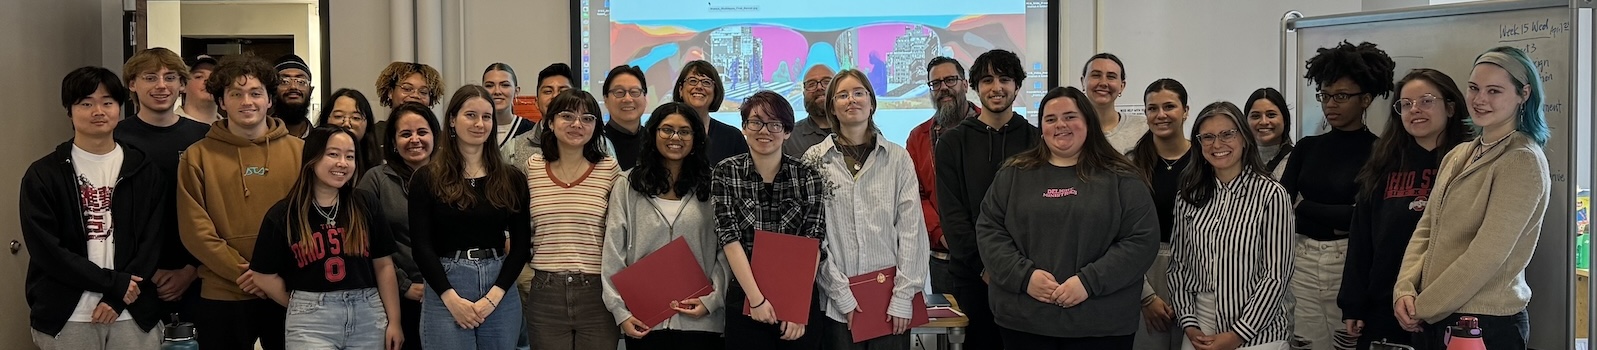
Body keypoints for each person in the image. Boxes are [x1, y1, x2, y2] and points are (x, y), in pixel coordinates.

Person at [976, 86, 1158, 349]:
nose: (1060, 125)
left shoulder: (1122, 177)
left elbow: (1141, 240)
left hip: (1102, 327)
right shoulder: (1013, 174)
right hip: (1025, 323)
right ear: (1041, 127)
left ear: (1088, 121)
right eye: (1050, 119)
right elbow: (989, 231)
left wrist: (1089, 281)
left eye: (1070, 116)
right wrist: (1025, 277)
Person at [1393, 46, 1550, 350]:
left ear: (1523, 94)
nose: (1480, 100)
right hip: (1437, 315)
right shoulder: (1459, 154)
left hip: (1485, 322)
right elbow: (1426, 229)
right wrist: (1404, 289)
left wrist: (1423, 307)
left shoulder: (1522, 160)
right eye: (1474, 88)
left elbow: (1487, 254)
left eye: (1494, 91)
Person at [22, 66, 167, 350]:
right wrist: (113, 284)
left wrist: (116, 296)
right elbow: (46, 250)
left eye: (107, 102)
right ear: (69, 111)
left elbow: (153, 241)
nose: (97, 111)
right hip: (69, 314)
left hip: (133, 312)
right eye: (86, 103)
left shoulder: (143, 169)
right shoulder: (44, 174)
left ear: (119, 108)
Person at [177, 54, 305, 350]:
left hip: (287, 289)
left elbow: (309, 218)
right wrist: (245, 273)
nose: (246, 102)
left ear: (269, 100)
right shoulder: (196, 156)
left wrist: (271, 277)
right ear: (221, 102)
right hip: (224, 293)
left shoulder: (302, 152)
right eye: (236, 94)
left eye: (255, 93)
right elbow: (195, 230)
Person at [1340, 68, 1472, 349]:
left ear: (1450, 108)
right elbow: (1362, 239)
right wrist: (1353, 303)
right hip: (1385, 306)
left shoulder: (1470, 164)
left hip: (1452, 308)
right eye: (1406, 105)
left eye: (1426, 101)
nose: (1415, 110)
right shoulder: (1382, 166)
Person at [1282, 40, 1395, 350]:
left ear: (1366, 99)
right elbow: (1281, 207)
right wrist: (1338, 215)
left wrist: (1305, 208)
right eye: (1325, 96)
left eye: (1342, 96)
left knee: (1348, 344)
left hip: (1350, 262)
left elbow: (1366, 218)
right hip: (1301, 260)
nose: (1330, 104)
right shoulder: (1307, 147)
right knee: (1305, 343)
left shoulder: (1381, 153)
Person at [248, 126, 404, 350]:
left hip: (368, 314)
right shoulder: (284, 213)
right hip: (311, 322)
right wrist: (302, 304)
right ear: (312, 158)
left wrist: (395, 322)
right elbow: (262, 275)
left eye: (349, 156)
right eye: (333, 154)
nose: (342, 163)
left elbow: (383, 265)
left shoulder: (366, 203)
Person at [807, 70, 930, 349]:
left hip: (891, 302)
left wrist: (903, 295)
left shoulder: (898, 158)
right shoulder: (814, 160)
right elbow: (813, 236)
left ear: (872, 102)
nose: (852, 100)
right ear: (832, 108)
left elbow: (912, 231)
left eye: (859, 92)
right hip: (837, 304)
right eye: (842, 95)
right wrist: (841, 294)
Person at [410, 85, 532, 350]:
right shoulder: (427, 178)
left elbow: (521, 247)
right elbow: (421, 247)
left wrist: (494, 297)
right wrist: (451, 299)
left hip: (499, 286)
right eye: (471, 115)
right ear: (452, 119)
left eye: (486, 117)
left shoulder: (512, 178)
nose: (480, 124)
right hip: (447, 285)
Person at [1166, 101, 1294, 350]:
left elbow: (1276, 276)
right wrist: (1189, 324)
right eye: (1208, 137)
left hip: (1259, 332)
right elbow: (1178, 267)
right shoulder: (1189, 196)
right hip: (1199, 329)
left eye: (1227, 134)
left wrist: (1237, 335)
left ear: (1244, 138)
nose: (1217, 144)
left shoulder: (1271, 194)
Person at [933, 49, 1039, 349]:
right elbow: (953, 216)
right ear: (974, 86)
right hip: (972, 275)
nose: (997, 87)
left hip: (1027, 274)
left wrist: (1018, 270)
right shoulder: (953, 143)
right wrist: (984, 268)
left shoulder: (1036, 140)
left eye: (1005, 79)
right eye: (988, 80)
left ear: (1017, 86)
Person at [600, 102, 728, 350]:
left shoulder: (714, 185)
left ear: (696, 138)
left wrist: (712, 300)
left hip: (700, 320)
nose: (675, 138)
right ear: (653, 133)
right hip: (644, 320)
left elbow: (726, 250)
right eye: (667, 129)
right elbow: (613, 251)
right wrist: (620, 311)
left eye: (684, 131)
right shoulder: (627, 184)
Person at [714, 90, 829, 348]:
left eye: (775, 124)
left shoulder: (807, 176)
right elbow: (729, 238)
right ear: (744, 127)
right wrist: (755, 299)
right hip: (744, 296)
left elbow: (813, 243)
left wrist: (796, 308)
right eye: (755, 122)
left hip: (796, 300)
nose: (764, 130)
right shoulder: (726, 171)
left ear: (787, 131)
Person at [523, 89, 623, 349]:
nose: (577, 124)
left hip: (597, 292)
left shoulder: (609, 169)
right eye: (567, 116)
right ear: (550, 122)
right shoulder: (532, 167)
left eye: (587, 118)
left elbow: (623, 233)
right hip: (546, 291)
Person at [115, 47, 209, 324]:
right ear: (132, 83)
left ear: (182, 84)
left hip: (198, 271)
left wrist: (192, 269)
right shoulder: (115, 138)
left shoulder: (205, 137)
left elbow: (217, 208)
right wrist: (149, 270)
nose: (161, 85)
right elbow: (112, 213)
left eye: (170, 77)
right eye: (149, 77)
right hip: (133, 274)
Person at [357, 102, 440, 350]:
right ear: (393, 142)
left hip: (446, 293)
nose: (415, 140)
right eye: (405, 134)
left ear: (434, 136)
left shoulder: (451, 179)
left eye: (422, 132)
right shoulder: (375, 179)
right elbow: (363, 239)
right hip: (394, 297)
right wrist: (404, 285)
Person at [1126, 78, 1193, 350]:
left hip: (1196, 274)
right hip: (1141, 274)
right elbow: (1120, 235)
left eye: (1169, 106)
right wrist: (1146, 297)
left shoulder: (1206, 161)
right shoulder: (1130, 164)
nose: (1161, 115)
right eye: (1152, 108)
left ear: (1186, 110)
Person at [906, 56, 977, 296]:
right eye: (935, 83)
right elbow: (916, 195)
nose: (943, 87)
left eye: (950, 80)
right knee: (948, 331)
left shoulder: (988, 128)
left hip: (991, 254)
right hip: (943, 257)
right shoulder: (918, 137)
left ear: (965, 84)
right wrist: (941, 234)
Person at [674, 60, 749, 164]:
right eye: (692, 81)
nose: (699, 87)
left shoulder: (732, 138)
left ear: (715, 92)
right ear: (680, 90)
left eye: (706, 82)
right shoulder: (662, 134)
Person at [502, 63, 575, 167]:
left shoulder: (597, 144)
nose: (555, 96)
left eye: (563, 91)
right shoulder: (513, 149)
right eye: (548, 91)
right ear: (536, 102)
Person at [1080, 53, 1145, 153]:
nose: (1103, 83)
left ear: (1122, 86)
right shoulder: (1072, 129)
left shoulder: (1142, 127)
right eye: (1096, 75)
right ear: (1083, 82)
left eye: (1111, 77)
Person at [374, 61, 444, 145]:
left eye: (423, 92)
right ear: (390, 92)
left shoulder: (443, 140)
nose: (415, 95)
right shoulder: (373, 135)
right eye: (407, 89)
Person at [316, 88, 383, 173]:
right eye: (338, 116)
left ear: (368, 124)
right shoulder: (312, 159)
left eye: (356, 118)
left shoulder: (378, 171)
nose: (346, 124)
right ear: (326, 119)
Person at [780, 64, 836, 157]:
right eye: (811, 84)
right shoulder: (788, 138)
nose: (819, 87)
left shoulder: (859, 132)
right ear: (803, 93)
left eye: (827, 82)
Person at [602, 65, 650, 170]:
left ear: (645, 98)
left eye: (634, 92)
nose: (627, 99)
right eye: (619, 92)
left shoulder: (654, 140)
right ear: (606, 100)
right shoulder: (597, 143)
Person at [484, 63, 536, 148]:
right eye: (490, 85)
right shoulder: (475, 129)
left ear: (516, 91)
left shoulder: (532, 130)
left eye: (505, 85)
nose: (497, 91)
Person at [273, 54, 316, 138]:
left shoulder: (321, 141)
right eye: (284, 81)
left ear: (310, 91)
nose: (293, 87)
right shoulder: (259, 138)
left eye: (301, 82)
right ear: (272, 90)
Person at [180, 54, 221, 124]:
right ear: (182, 84)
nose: (208, 81)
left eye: (213, 76)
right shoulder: (168, 127)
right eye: (199, 76)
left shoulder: (233, 129)